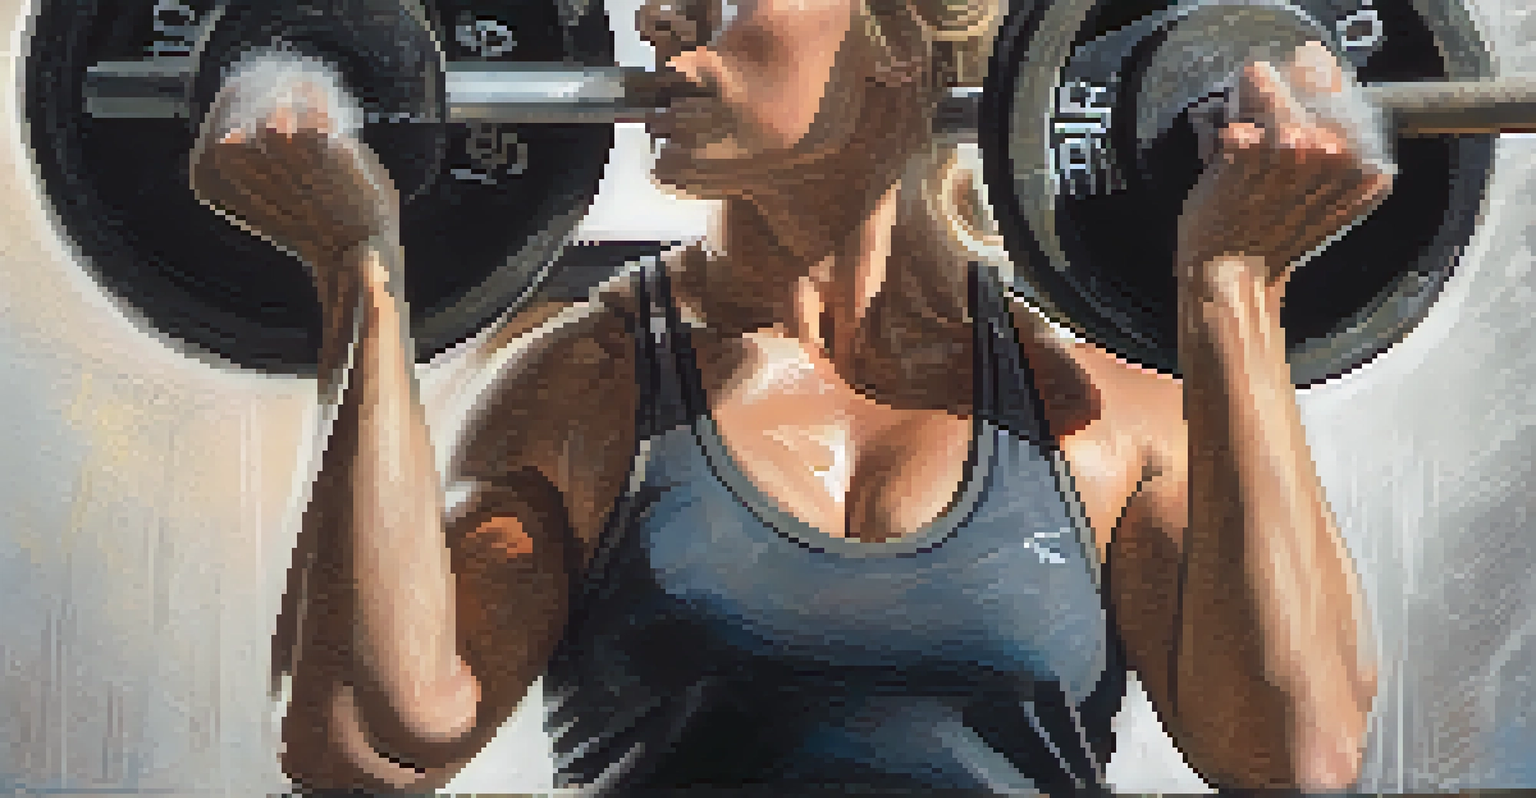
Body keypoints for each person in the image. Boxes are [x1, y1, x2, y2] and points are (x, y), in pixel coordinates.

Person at [189, 0, 1387, 791]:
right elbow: (365, 741)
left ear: (897, 38)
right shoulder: (585, 390)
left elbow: (1299, 752)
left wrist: (1233, 288)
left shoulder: (1102, 416)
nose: (656, 16)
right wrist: (361, 279)